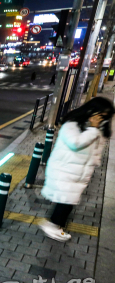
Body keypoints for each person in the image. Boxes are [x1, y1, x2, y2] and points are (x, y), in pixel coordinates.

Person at [39, 97, 114, 241]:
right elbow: (75, 143)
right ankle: (53, 226)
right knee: (68, 201)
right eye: (101, 115)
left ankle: (54, 225)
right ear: (93, 111)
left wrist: (94, 162)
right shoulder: (72, 124)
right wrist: (93, 129)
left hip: (79, 171)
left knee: (68, 200)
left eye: (106, 117)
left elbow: (96, 149)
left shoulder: (95, 127)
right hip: (65, 169)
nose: (103, 119)